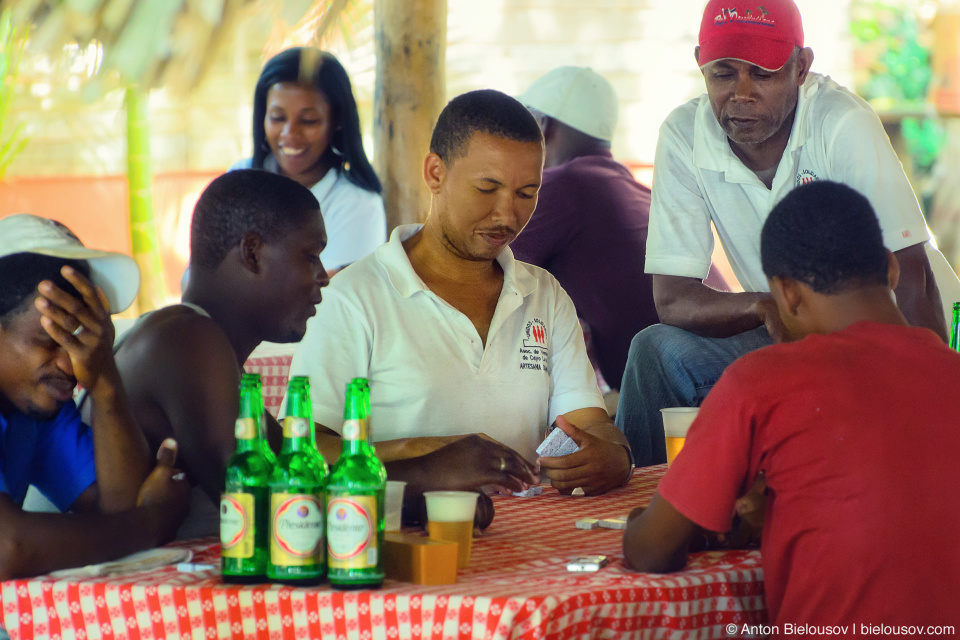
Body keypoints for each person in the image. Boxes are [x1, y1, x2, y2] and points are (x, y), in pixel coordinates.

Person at [616, 0, 956, 467]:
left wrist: (931, 406)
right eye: (722, 74)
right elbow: (673, 299)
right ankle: (654, 500)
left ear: (801, 67)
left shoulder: (841, 122)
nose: (741, 93)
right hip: (790, 324)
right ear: (700, 63)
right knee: (656, 351)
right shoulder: (683, 135)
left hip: (897, 329)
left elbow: (913, 278)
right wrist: (765, 305)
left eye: (763, 73)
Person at [622, 181, 960, 633]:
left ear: (786, 295)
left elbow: (652, 552)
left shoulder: (762, 381)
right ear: (891, 269)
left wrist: (637, 522)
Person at [108, 170, 522, 537]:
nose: (324, 277)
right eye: (310, 255)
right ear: (252, 253)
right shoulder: (184, 340)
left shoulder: (210, 353)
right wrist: (432, 472)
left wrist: (420, 503)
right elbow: (265, 499)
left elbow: (302, 475)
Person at [290, 89, 633, 497]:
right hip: (406, 539)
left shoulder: (543, 295)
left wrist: (614, 456)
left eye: (527, 193)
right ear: (435, 173)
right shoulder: (353, 298)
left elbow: (589, 424)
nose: (507, 215)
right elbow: (305, 445)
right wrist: (431, 456)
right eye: (487, 188)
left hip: (528, 540)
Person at [512, 66, 728, 390]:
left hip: (690, 387)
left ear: (542, 126)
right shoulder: (629, 189)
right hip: (727, 364)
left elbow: (478, 271)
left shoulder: (564, 186)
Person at [0, 214, 189, 579]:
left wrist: (103, 377)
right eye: (49, 341)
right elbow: (8, 548)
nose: (70, 366)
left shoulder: (37, 413)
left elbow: (121, 504)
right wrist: (153, 522)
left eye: (79, 342)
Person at [231, 47, 386, 275]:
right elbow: (198, 276)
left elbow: (330, 300)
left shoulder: (357, 204)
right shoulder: (239, 178)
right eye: (277, 117)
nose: (289, 133)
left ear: (337, 121)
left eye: (308, 120)